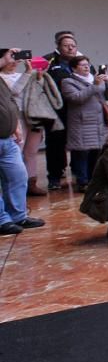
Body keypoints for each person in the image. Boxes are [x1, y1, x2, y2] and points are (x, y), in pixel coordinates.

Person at [0, 61, 46, 235]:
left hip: (7, 138)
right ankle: (2, 221)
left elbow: (11, 100)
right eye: (9, 56)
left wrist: (16, 125)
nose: (13, 60)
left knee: (18, 177)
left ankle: (18, 216)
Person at [61, 55, 108, 188]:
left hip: (99, 121)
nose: (86, 67)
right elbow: (76, 98)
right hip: (82, 123)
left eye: (87, 64)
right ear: (74, 68)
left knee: (97, 152)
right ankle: (83, 182)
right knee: (81, 153)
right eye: (82, 65)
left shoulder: (95, 79)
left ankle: (94, 180)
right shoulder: (68, 82)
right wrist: (94, 85)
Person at [43, 31, 77, 190]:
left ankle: (80, 175)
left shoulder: (82, 61)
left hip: (77, 110)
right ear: (58, 46)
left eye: (73, 45)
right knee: (55, 144)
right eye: (66, 46)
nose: (70, 48)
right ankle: (54, 177)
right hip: (55, 111)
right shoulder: (48, 61)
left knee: (79, 144)